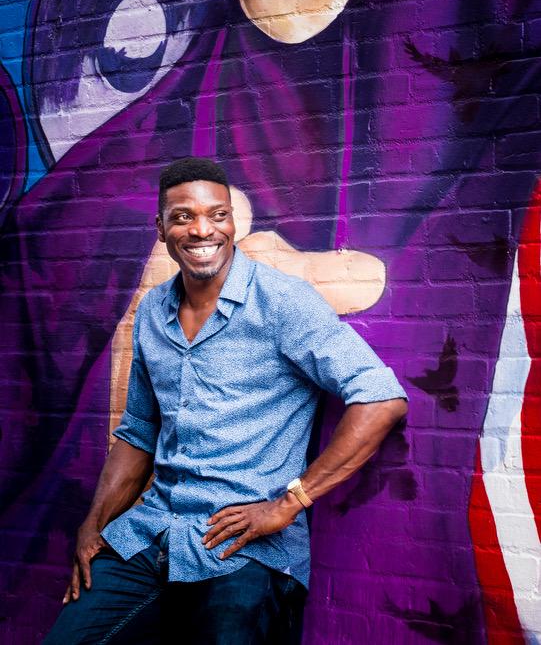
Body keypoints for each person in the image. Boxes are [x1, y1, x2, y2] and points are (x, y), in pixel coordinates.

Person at [44, 157, 407, 644]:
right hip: (150, 532)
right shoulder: (154, 309)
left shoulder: (282, 301)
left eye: (217, 215)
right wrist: (94, 526)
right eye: (183, 217)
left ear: (232, 223)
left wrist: (290, 502)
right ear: (161, 228)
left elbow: (381, 397)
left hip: (245, 550)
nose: (202, 230)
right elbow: (138, 431)